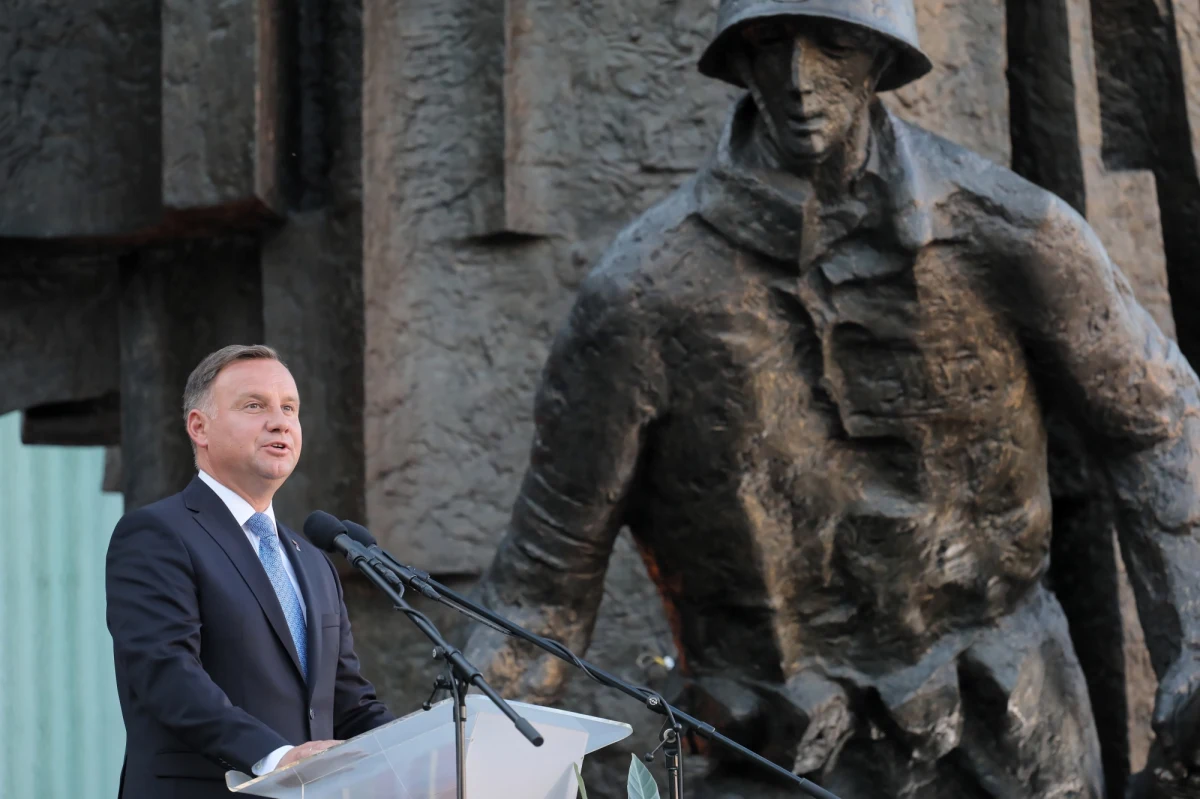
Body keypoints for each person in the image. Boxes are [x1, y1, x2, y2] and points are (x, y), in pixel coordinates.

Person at [464, 2, 1200, 797]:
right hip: (769, 758)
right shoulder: (644, 296)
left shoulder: (1012, 235)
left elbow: (1158, 427)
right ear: (739, 59)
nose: (798, 78)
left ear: (882, 58)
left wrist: (1193, 644)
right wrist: (467, 766)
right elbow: (541, 585)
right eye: (770, 42)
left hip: (1013, 745)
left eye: (835, 42)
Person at [106, 345, 394, 798]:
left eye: (289, 408)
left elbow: (349, 704)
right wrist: (276, 757)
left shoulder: (313, 559)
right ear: (199, 428)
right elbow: (167, 673)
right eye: (255, 405)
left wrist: (428, 752)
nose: (279, 421)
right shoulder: (157, 534)